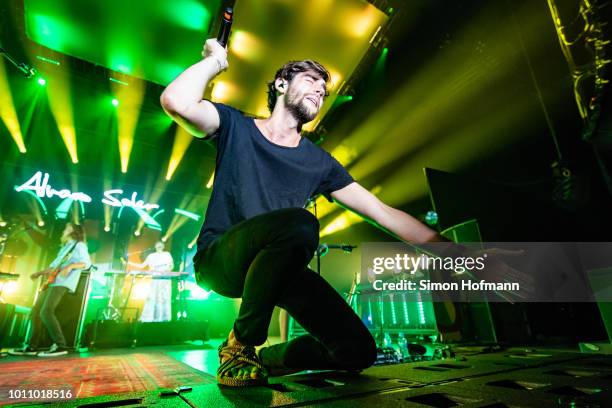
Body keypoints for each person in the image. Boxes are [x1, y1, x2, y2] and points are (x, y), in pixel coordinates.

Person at [160, 38, 458, 386]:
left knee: (357, 351)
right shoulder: (234, 126)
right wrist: (214, 61)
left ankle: (269, 358)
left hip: (277, 266)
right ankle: (240, 345)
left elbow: (382, 212)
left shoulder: (319, 163)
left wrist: (460, 256)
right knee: (301, 223)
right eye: (311, 79)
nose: (321, 89)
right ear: (282, 84)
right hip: (220, 260)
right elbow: (175, 101)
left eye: (324, 86)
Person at [9, 222, 91, 357]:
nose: (64, 229)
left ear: (73, 231)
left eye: (66, 227)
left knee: (46, 311)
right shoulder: (65, 247)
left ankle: (60, 345)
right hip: (52, 282)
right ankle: (32, 346)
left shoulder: (79, 245)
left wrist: (70, 267)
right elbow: (54, 267)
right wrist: (40, 273)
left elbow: (87, 263)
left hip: (62, 282)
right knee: (36, 312)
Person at [125, 241, 174, 322]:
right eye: (157, 245)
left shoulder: (167, 254)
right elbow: (142, 265)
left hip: (165, 277)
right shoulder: (151, 256)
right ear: (155, 247)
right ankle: (150, 318)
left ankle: (164, 318)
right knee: (153, 296)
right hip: (155, 277)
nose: (159, 246)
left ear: (163, 246)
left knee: (164, 297)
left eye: (160, 245)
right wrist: (128, 262)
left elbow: (172, 265)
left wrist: (167, 269)